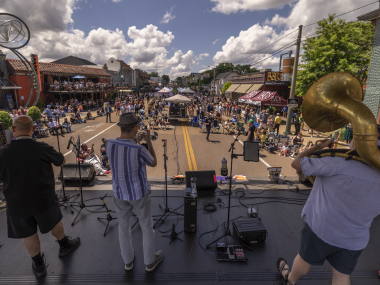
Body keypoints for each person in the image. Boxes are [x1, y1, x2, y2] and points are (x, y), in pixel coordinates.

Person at [277, 137, 380, 285]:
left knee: (304, 260)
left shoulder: (338, 163)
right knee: (342, 276)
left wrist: (317, 146)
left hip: (321, 228)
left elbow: (296, 163)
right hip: (355, 238)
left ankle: (291, 279)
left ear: (358, 143)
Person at [0, 116, 80, 278]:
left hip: (17, 203)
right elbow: (61, 160)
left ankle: (39, 265)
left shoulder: (2, 153)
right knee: (54, 223)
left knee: (29, 234)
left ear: (13, 130)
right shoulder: (41, 147)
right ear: (34, 129)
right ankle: (64, 246)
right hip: (43, 199)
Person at [105, 113, 163, 272]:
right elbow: (154, 162)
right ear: (135, 127)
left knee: (123, 227)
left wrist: (134, 139)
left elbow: (123, 148)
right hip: (139, 194)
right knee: (146, 226)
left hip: (119, 194)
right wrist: (149, 141)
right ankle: (150, 261)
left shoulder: (109, 144)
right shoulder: (138, 149)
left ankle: (128, 261)